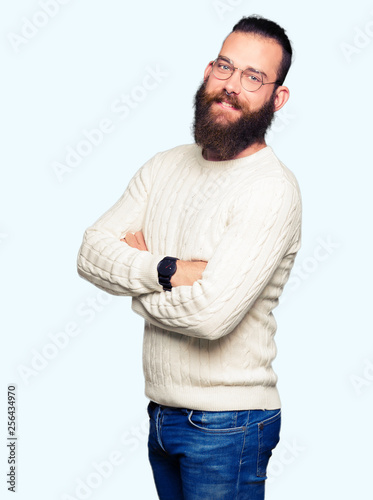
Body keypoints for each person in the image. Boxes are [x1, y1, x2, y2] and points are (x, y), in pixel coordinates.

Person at [77, 14, 302, 500]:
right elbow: (91, 251)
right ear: (207, 71)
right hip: (162, 411)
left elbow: (212, 315)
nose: (231, 86)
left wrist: (133, 287)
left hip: (229, 423)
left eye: (253, 77)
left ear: (276, 97)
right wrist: (168, 270)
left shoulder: (271, 189)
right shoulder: (164, 166)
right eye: (225, 67)